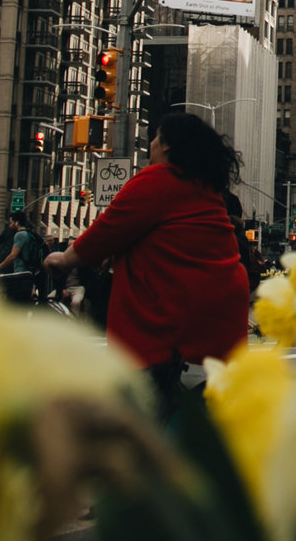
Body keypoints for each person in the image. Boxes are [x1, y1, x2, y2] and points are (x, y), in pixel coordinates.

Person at [45, 112, 250, 392]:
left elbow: (105, 234)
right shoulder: (206, 190)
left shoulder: (158, 179)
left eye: (155, 137)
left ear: (166, 144)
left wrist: (63, 259)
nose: (151, 144)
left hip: (168, 347)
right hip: (221, 335)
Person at [0, 210, 44, 305]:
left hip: (20, 273)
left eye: (11, 222)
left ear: (17, 222)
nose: (10, 225)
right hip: (28, 272)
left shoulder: (20, 235)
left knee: (15, 302)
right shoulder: (29, 234)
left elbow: (12, 256)